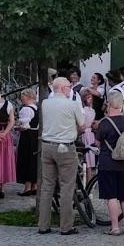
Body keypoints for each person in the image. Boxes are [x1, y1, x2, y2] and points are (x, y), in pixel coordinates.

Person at [37, 76, 86, 235]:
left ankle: (43, 225)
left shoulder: (45, 103)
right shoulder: (73, 104)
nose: (70, 89)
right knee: (66, 186)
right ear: (64, 88)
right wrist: (72, 130)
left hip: (47, 146)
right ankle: (66, 226)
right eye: (69, 87)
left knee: (47, 186)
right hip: (65, 147)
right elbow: (82, 125)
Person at [94, 91, 124, 235]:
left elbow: (97, 142)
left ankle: (115, 227)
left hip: (108, 163)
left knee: (111, 196)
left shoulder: (104, 123)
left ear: (108, 104)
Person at [15, 89, 39, 197]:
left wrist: (17, 127)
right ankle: (34, 185)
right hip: (35, 136)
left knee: (26, 159)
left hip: (27, 136)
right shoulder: (37, 108)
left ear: (29, 97)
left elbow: (25, 126)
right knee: (33, 160)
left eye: (23, 96)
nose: (21, 98)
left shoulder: (26, 109)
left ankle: (27, 187)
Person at [80, 90, 97, 181]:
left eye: (90, 97)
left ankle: (89, 179)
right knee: (87, 158)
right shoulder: (84, 110)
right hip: (87, 133)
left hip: (89, 133)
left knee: (89, 158)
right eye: (88, 97)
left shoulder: (90, 110)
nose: (90, 99)